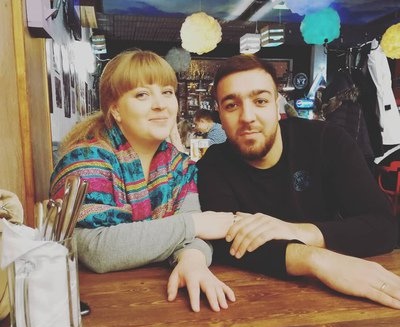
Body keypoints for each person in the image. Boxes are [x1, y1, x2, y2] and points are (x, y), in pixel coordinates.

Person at [197, 54, 400, 310]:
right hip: (251, 304)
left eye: (260, 101)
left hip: (340, 303)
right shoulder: (213, 164)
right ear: (219, 114)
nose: (247, 116)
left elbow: (383, 227)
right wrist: (313, 259)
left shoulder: (328, 141)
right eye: (231, 105)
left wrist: (295, 231)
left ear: (277, 106)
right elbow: (227, 242)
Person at [50, 50, 236, 313]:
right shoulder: (85, 160)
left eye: (167, 92)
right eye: (142, 95)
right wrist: (193, 224)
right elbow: (97, 249)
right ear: (116, 109)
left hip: (159, 306)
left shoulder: (181, 166)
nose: (160, 104)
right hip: (93, 307)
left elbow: (196, 235)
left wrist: (192, 259)